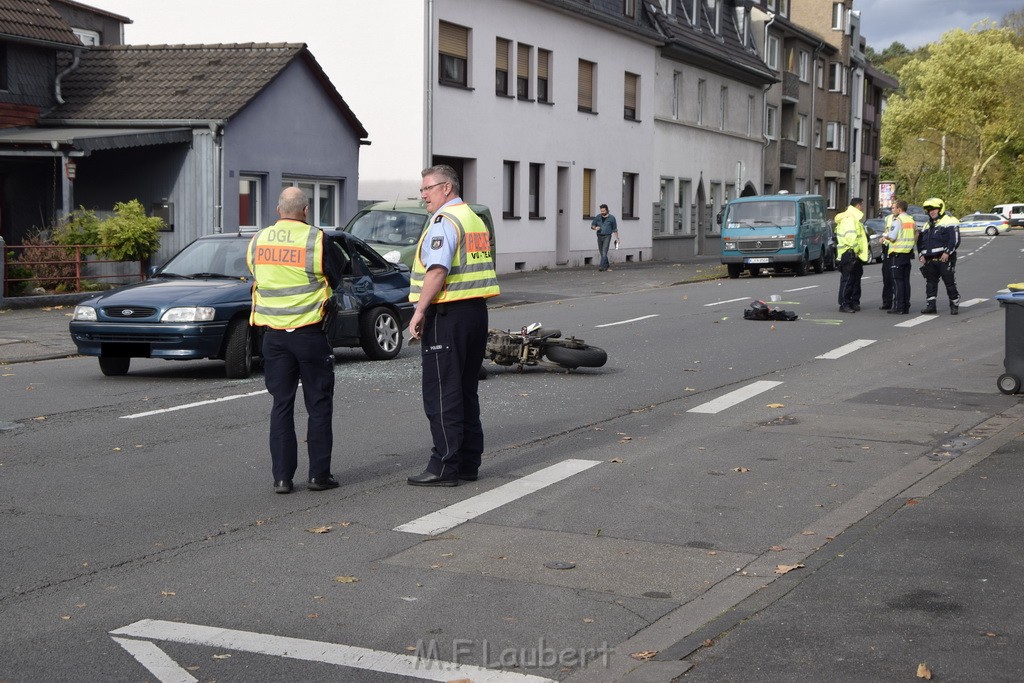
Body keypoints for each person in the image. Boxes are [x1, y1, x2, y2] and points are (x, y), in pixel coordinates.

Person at [407, 164, 500, 486]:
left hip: (447, 314)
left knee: (442, 393)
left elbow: (437, 270)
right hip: (475, 313)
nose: (423, 196)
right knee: (465, 390)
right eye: (422, 190)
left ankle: (444, 466)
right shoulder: (473, 218)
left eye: (428, 189)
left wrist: (419, 311)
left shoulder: (445, 221)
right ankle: (467, 463)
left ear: (447, 188)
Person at [247, 187, 344, 494]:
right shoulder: (316, 239)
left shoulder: (258, 240)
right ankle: (318, 476)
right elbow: (338, 274)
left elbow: (255, 273)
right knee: (318, 404)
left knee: (281, 405)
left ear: (278, 211)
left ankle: (282, 478)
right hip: (309, 333)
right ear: (305, 211)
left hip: (274, 337)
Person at [917, 197, 961, 314]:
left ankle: (954, 304)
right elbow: (920, 241)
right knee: (930, 284)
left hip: (944, 258)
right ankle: (931, 306)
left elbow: (955, 240)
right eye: (929, 210)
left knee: (949, 282)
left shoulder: (949, 220)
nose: (931, 212)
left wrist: (947, 252)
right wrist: (921, 253)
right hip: (930, 260)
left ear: (940, 209)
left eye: (934, 209)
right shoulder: (927, 225)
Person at [878, 200, 917, 315]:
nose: (893, 210)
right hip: (907, 253)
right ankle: (905, 305)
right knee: (905, 281)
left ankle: (899, 307)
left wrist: (885, 237)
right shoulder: (911, 220)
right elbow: (916, 234)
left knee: (897, 281)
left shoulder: (898, 220)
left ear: (899, 209)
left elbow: (893, 237)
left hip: (897, 253)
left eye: (895, 208)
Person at [835, 197, 867, 313]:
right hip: (849, 253)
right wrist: (856, 249)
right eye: (862, 205)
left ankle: (853, 302)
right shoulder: (849, 218)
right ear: (858, 205)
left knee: (855, 279)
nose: (862, 208)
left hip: (854, 253)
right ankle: (844, 304)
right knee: (848, 280)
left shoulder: (854, 218)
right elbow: (851, 236)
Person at [590, 204, 619, 272]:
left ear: (607, 210)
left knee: (604, 251)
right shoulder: (598, 217)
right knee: (602, 252)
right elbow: (592, 226)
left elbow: (615, 229)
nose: (602, 212)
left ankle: (601, 266)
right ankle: (607, 266)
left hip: (607, 236)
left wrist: (617, 238)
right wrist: (595, 228)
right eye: (601, 211)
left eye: (603, 211)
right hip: (599, 236)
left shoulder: (612, 218)